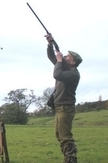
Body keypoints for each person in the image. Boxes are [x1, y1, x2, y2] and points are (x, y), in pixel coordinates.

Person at [45, 33, 82, 163]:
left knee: (65, 137)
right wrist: (50, 44)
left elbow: (57, 74)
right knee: (59, 135)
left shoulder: (73, 74)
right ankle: (68, 158)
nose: (65, 56)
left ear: (73, 62)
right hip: (60, 107)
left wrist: (60, 61)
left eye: (68, 56)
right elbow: (52, 57)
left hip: (66, 109)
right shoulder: (66, 68)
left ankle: (71, 160)